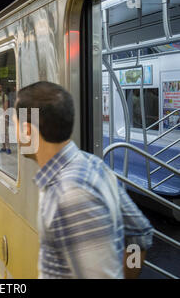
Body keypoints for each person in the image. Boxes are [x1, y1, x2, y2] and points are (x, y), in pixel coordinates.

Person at [14, 81, 153, 279]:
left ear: (28, 130)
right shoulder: (92, 164)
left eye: (15, 125)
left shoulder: (70, 195)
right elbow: (139, 234)